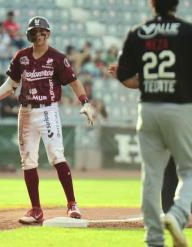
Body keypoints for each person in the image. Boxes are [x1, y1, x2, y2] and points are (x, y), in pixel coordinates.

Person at [0, 16, 93, 224]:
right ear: (29, 35)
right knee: (28, 160)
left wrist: (85, 102)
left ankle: (72, 204)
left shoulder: (57, 57)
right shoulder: (22, 57)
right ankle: (36, 210)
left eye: (42, 31)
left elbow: (73, 82)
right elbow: (10, 84)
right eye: (34, 32)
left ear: (48, 33)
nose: (38, 35)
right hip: (26, 112)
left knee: (56, 156)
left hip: (48, 110)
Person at [108, 1, 192, 246]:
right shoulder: (187, 32)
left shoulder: (138, 32)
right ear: (176, 4)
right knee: (189, 170)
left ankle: (154, 238)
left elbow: (125, 75)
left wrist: (137, 77)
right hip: (180, 107)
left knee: (151, 175)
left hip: (148, 108)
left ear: (151, 4)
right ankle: (177, 215)